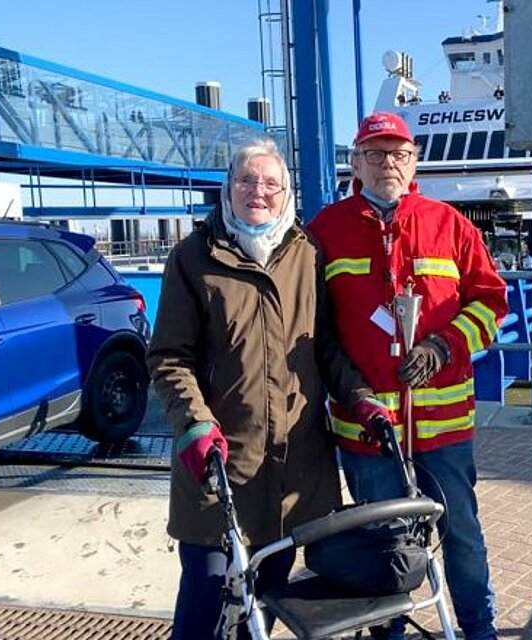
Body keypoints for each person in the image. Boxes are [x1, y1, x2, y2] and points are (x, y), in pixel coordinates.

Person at [147, 138, 375, 640]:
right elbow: (169, 357)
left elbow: (326, 347)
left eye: (272, 183)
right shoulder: (192, 257)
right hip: (218, 464)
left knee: (268, 589)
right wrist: (194, 424)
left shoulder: (306, 253)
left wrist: (360, 396)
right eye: (248, 180)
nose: (259, 191)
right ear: (229, 188)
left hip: (294, 466)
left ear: (286, 192)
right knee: (205, 588)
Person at [308, 112, 507, 640]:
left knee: (462, 536)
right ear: (355, 162)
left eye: (398, 153)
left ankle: (479, 631)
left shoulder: (450, 224)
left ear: (414, 160)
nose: (387, 164)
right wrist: (356, 394)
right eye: (374, 154)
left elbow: (492, 302)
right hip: (367, 432)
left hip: (443, 429)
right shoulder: (325, 231)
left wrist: (445, 345)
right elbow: (315, 332)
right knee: (383, 545)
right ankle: (387, 634)